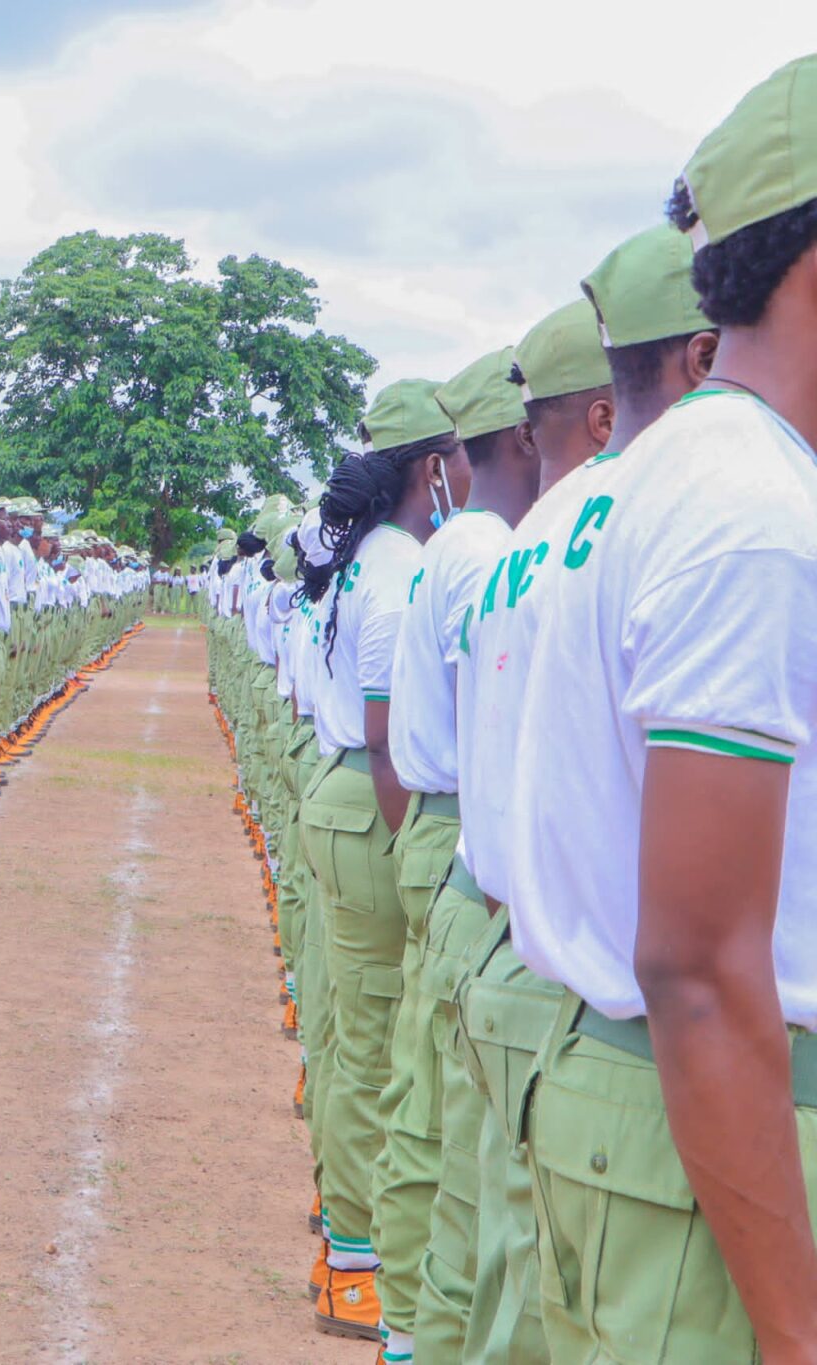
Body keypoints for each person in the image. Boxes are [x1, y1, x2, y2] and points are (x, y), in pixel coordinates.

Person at [486, 66, 817, 1348]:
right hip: (723, 1134)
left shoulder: (672, 475)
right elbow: (693, 962)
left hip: (652, 1121)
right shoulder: (751, 517)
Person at [455, 295, 616, 1365]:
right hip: (583, 985)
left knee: (503, 1264)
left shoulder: (532, 539)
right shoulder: (630, 522)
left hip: (506, 925)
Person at [294, 379, 467, 1342]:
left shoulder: (368, 559)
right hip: (375, 800)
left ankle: (344, 1224)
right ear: (432, 470)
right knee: (375, 1046)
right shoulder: (399, 567)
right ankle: (355, 1257)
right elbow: (388, 731)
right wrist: (413, 855)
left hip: (345, 793)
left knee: (349, 1029)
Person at [375, 345, 531, 1363]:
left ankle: (398, 1323)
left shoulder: (464, 546)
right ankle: (393, 1315)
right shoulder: (474, 551)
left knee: (436, 1125)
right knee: (446, 1142)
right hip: (452, 835)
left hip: (444, 832)